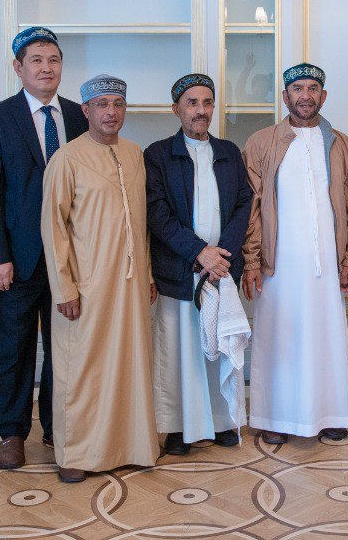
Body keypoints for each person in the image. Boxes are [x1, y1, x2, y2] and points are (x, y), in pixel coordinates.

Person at [0, 27, 88, 468]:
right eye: (36, 60)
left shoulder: (79, 116)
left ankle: (59, 426)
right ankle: (12, 432)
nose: (46, 68)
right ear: (18, 68)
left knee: (65, 348)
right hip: (17, 261)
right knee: (15, 349)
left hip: (70, 260)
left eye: (53, 59)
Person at [41, 74, 159, 481]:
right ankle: (76, 454)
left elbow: (141, 223)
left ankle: (131, 446)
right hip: (86, 287)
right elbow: (53, 228)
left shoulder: (135, 154)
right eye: (102, 104)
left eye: (118, 104)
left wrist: (147, 274)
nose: (111, 112)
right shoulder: (67, 158)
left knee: (129, 365)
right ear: (86, 110)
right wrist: (64, 288)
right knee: (82, 370)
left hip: (130, 285)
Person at [241, 63, 348, 445]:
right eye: (297, 89)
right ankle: (274, 417)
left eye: (312, 89)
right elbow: (252, 208)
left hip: (326, 265)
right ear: (285, 96)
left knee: (326, 338)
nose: (305, 96)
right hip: (279, 267)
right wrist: (252, 261)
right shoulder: (261, 143)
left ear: (323, 96)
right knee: (280, 339)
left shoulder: (341, 144)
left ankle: (330, 415)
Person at [144, 73, 253, 456]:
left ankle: (223, 422)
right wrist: (198, 252)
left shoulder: (228, 152)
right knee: (180, 356)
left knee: (218, 348)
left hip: (220, 272)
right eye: (192, 103)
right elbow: (157, 213)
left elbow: (244, 203)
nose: (201, 110)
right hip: (180, 271)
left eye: (207, 102)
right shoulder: (158, 155)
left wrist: (221, 254)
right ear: (176, 109)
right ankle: (179, 428)